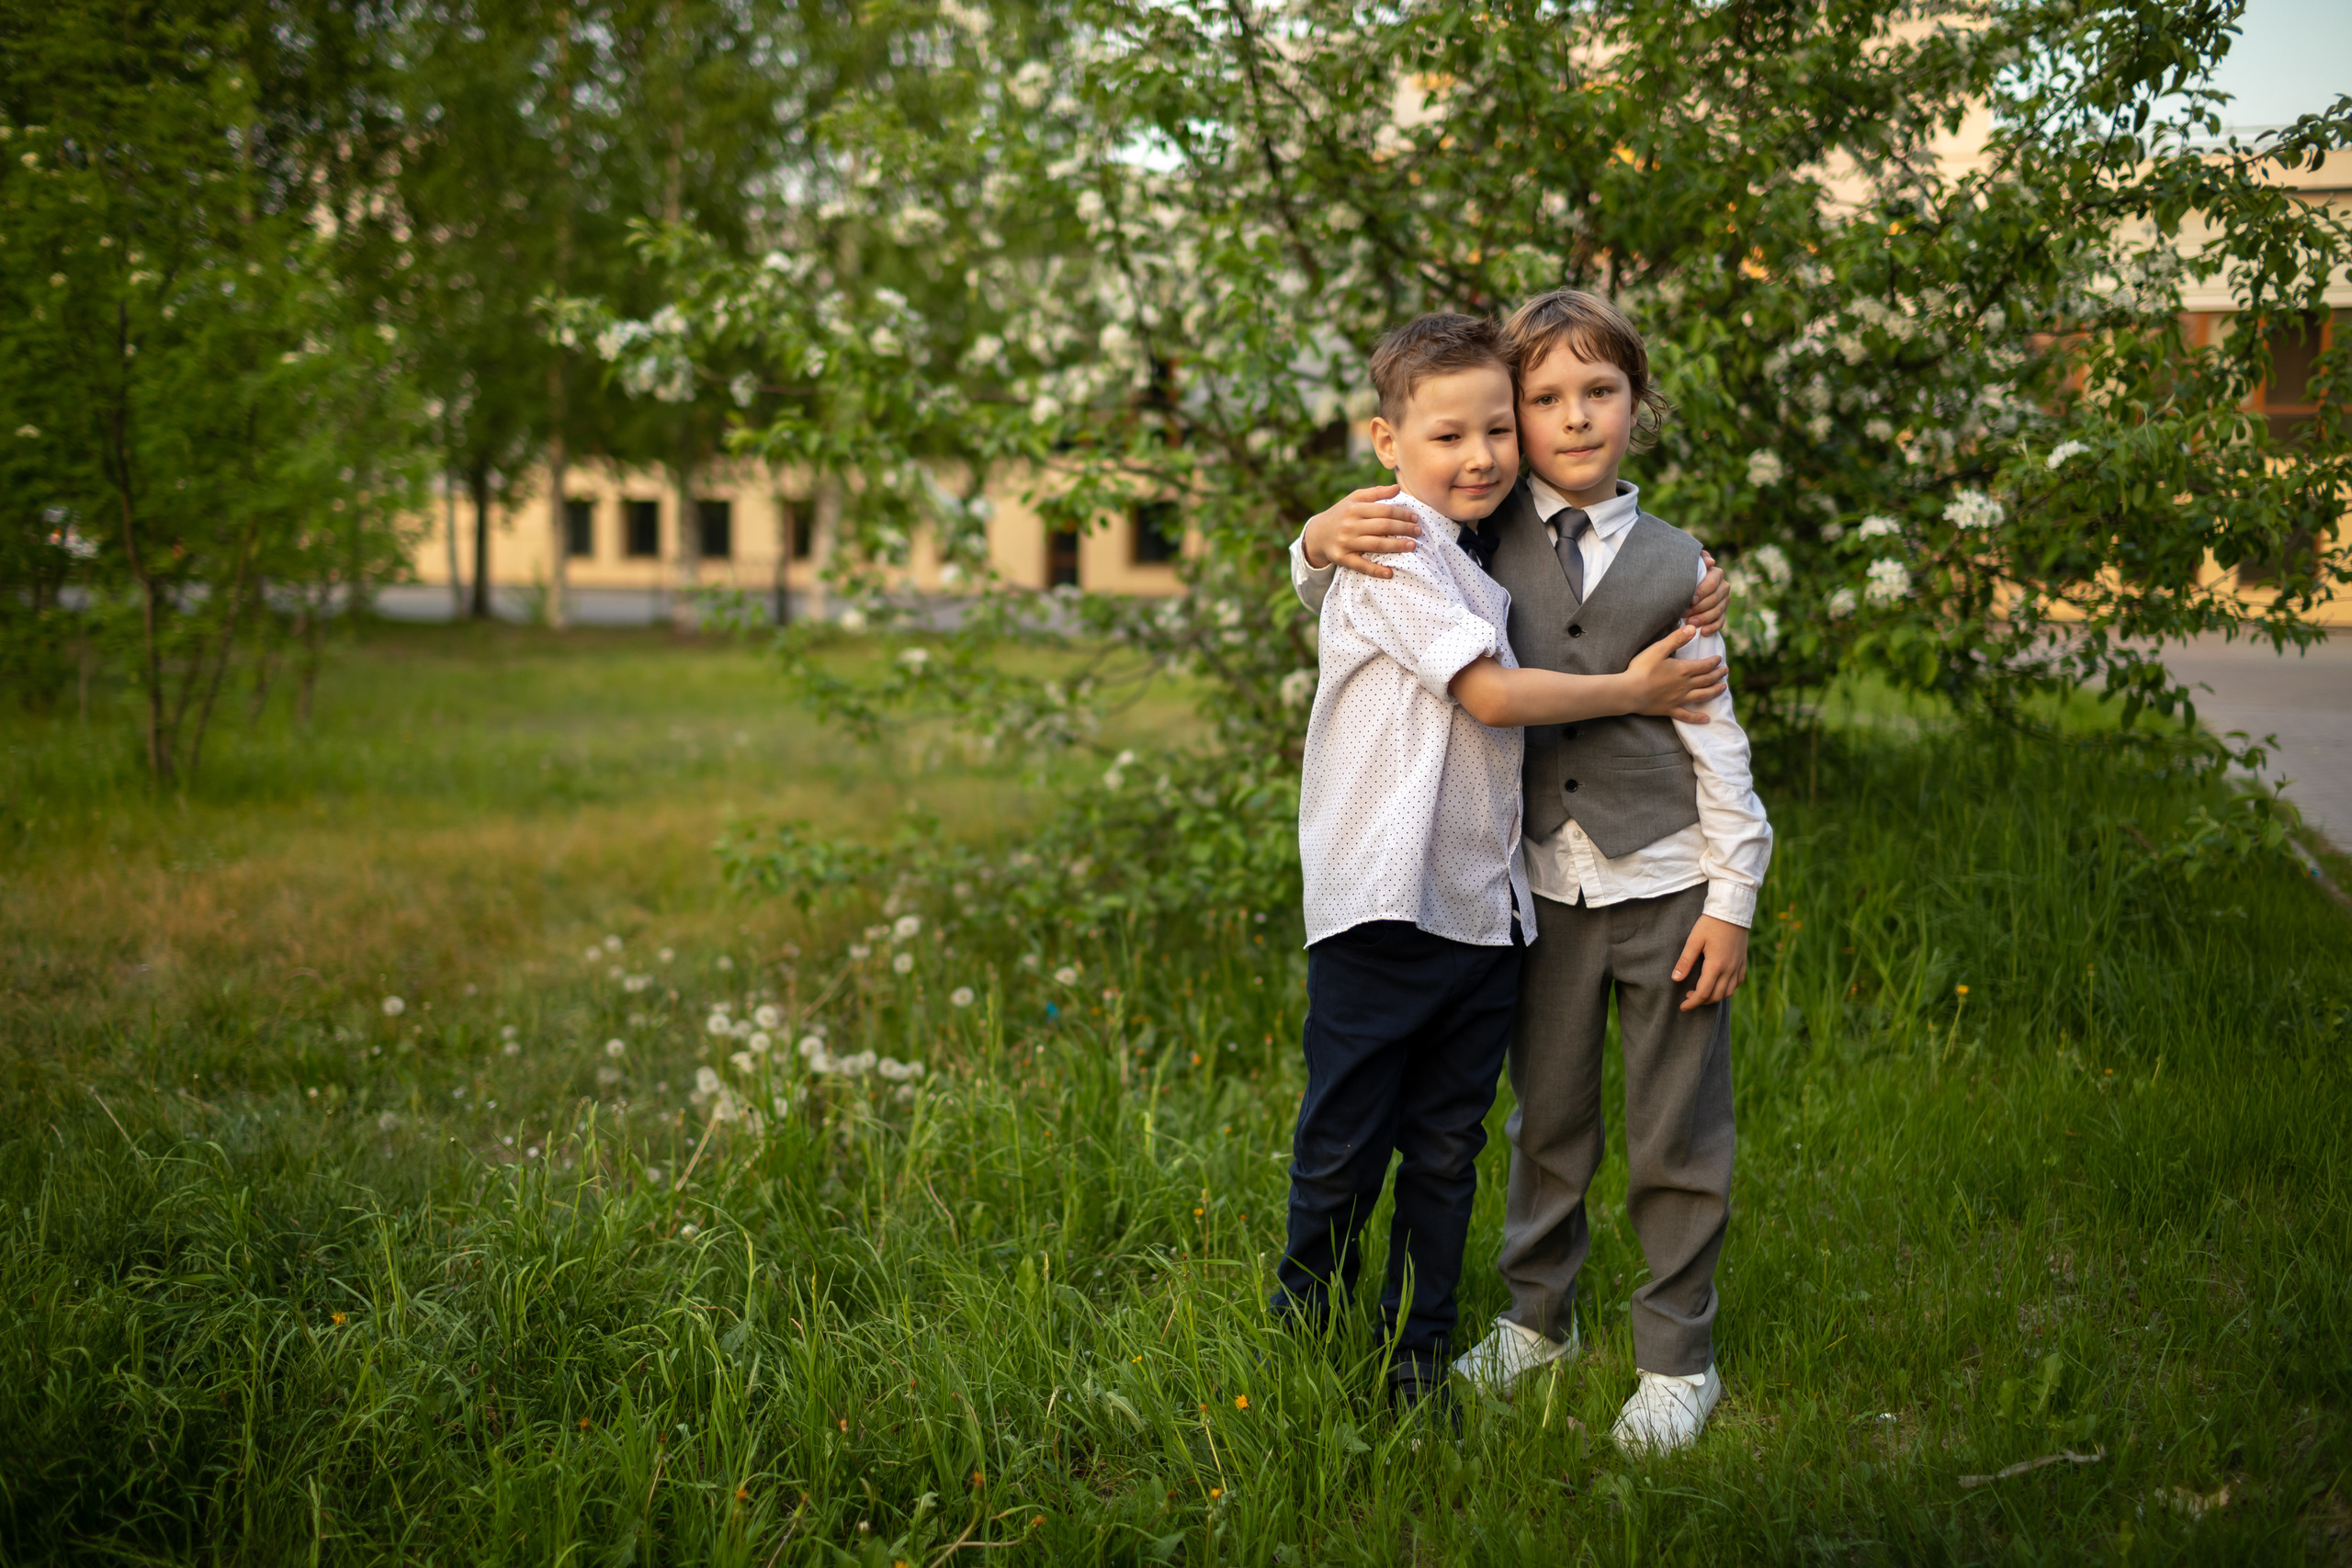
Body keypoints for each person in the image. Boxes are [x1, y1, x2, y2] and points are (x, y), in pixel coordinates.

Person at [1295, 289, 1773, 1454]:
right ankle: (1536, 1321)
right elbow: (1349, 571)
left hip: (1662, 882)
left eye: (1597, 393)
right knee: (1544, 1125)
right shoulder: (1470, 527)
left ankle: (1675, 1355)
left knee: (1674, 1130)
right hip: (1533, 894)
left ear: (1636, 406)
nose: (1567, 421)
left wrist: (1733, 896)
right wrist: (1311, 533)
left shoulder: (1674, 564)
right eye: (1540, 400)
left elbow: (1717, 739)